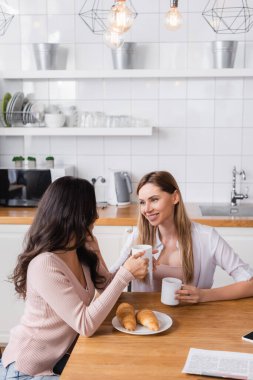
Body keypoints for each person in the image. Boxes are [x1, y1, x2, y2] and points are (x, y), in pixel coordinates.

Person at [0, 176, 148, 380]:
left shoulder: (78, 249)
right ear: (74, 215)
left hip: (56, 360)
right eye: (91, 209)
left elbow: (105, 287)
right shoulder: (45, 264)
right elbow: (85, 325)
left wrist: (96, 251)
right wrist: (125, 274)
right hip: (25, 370)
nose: (96, 215)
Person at [110, 170, 253, 303]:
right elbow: (108, 281)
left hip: (196, 319)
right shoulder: (137, 237)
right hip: (146, 322)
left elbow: (250, 283)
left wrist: (204, 295)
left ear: (175, 197)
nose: (146, 209)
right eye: (142, 202)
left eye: (154, 200)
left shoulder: (207, 237)